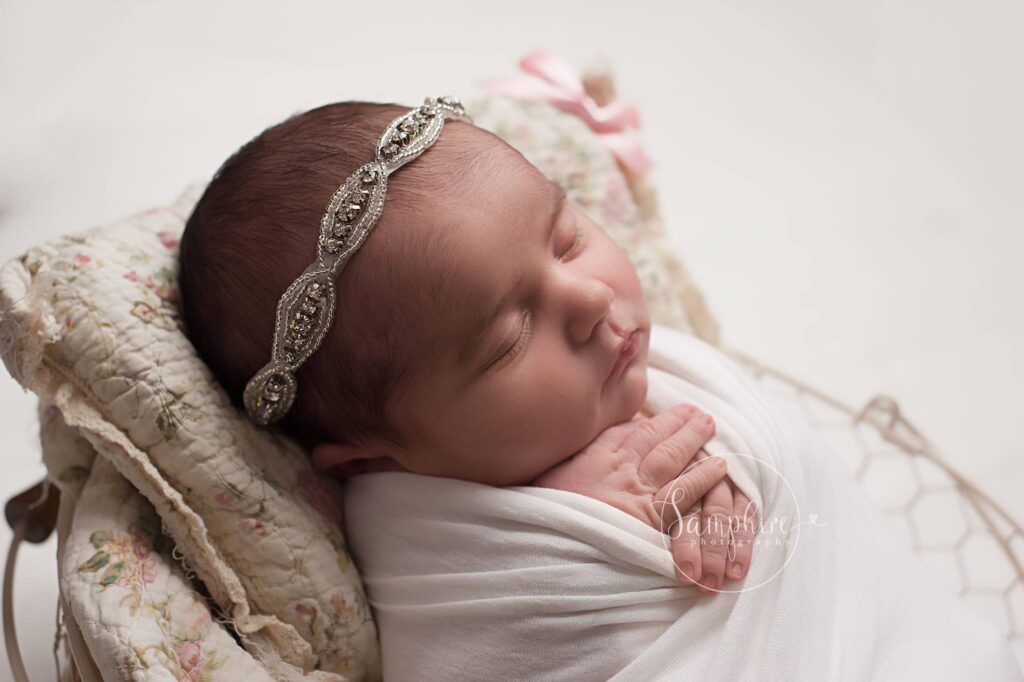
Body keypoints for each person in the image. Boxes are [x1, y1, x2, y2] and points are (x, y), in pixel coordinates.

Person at [178, 98, 755, 594]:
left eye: (567, 239)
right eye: (509, 339)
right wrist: (568, 529)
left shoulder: (652, 363)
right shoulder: (411, 538)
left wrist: (733, 473)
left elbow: (770, 446)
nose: (593, 299)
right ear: (372, 461)